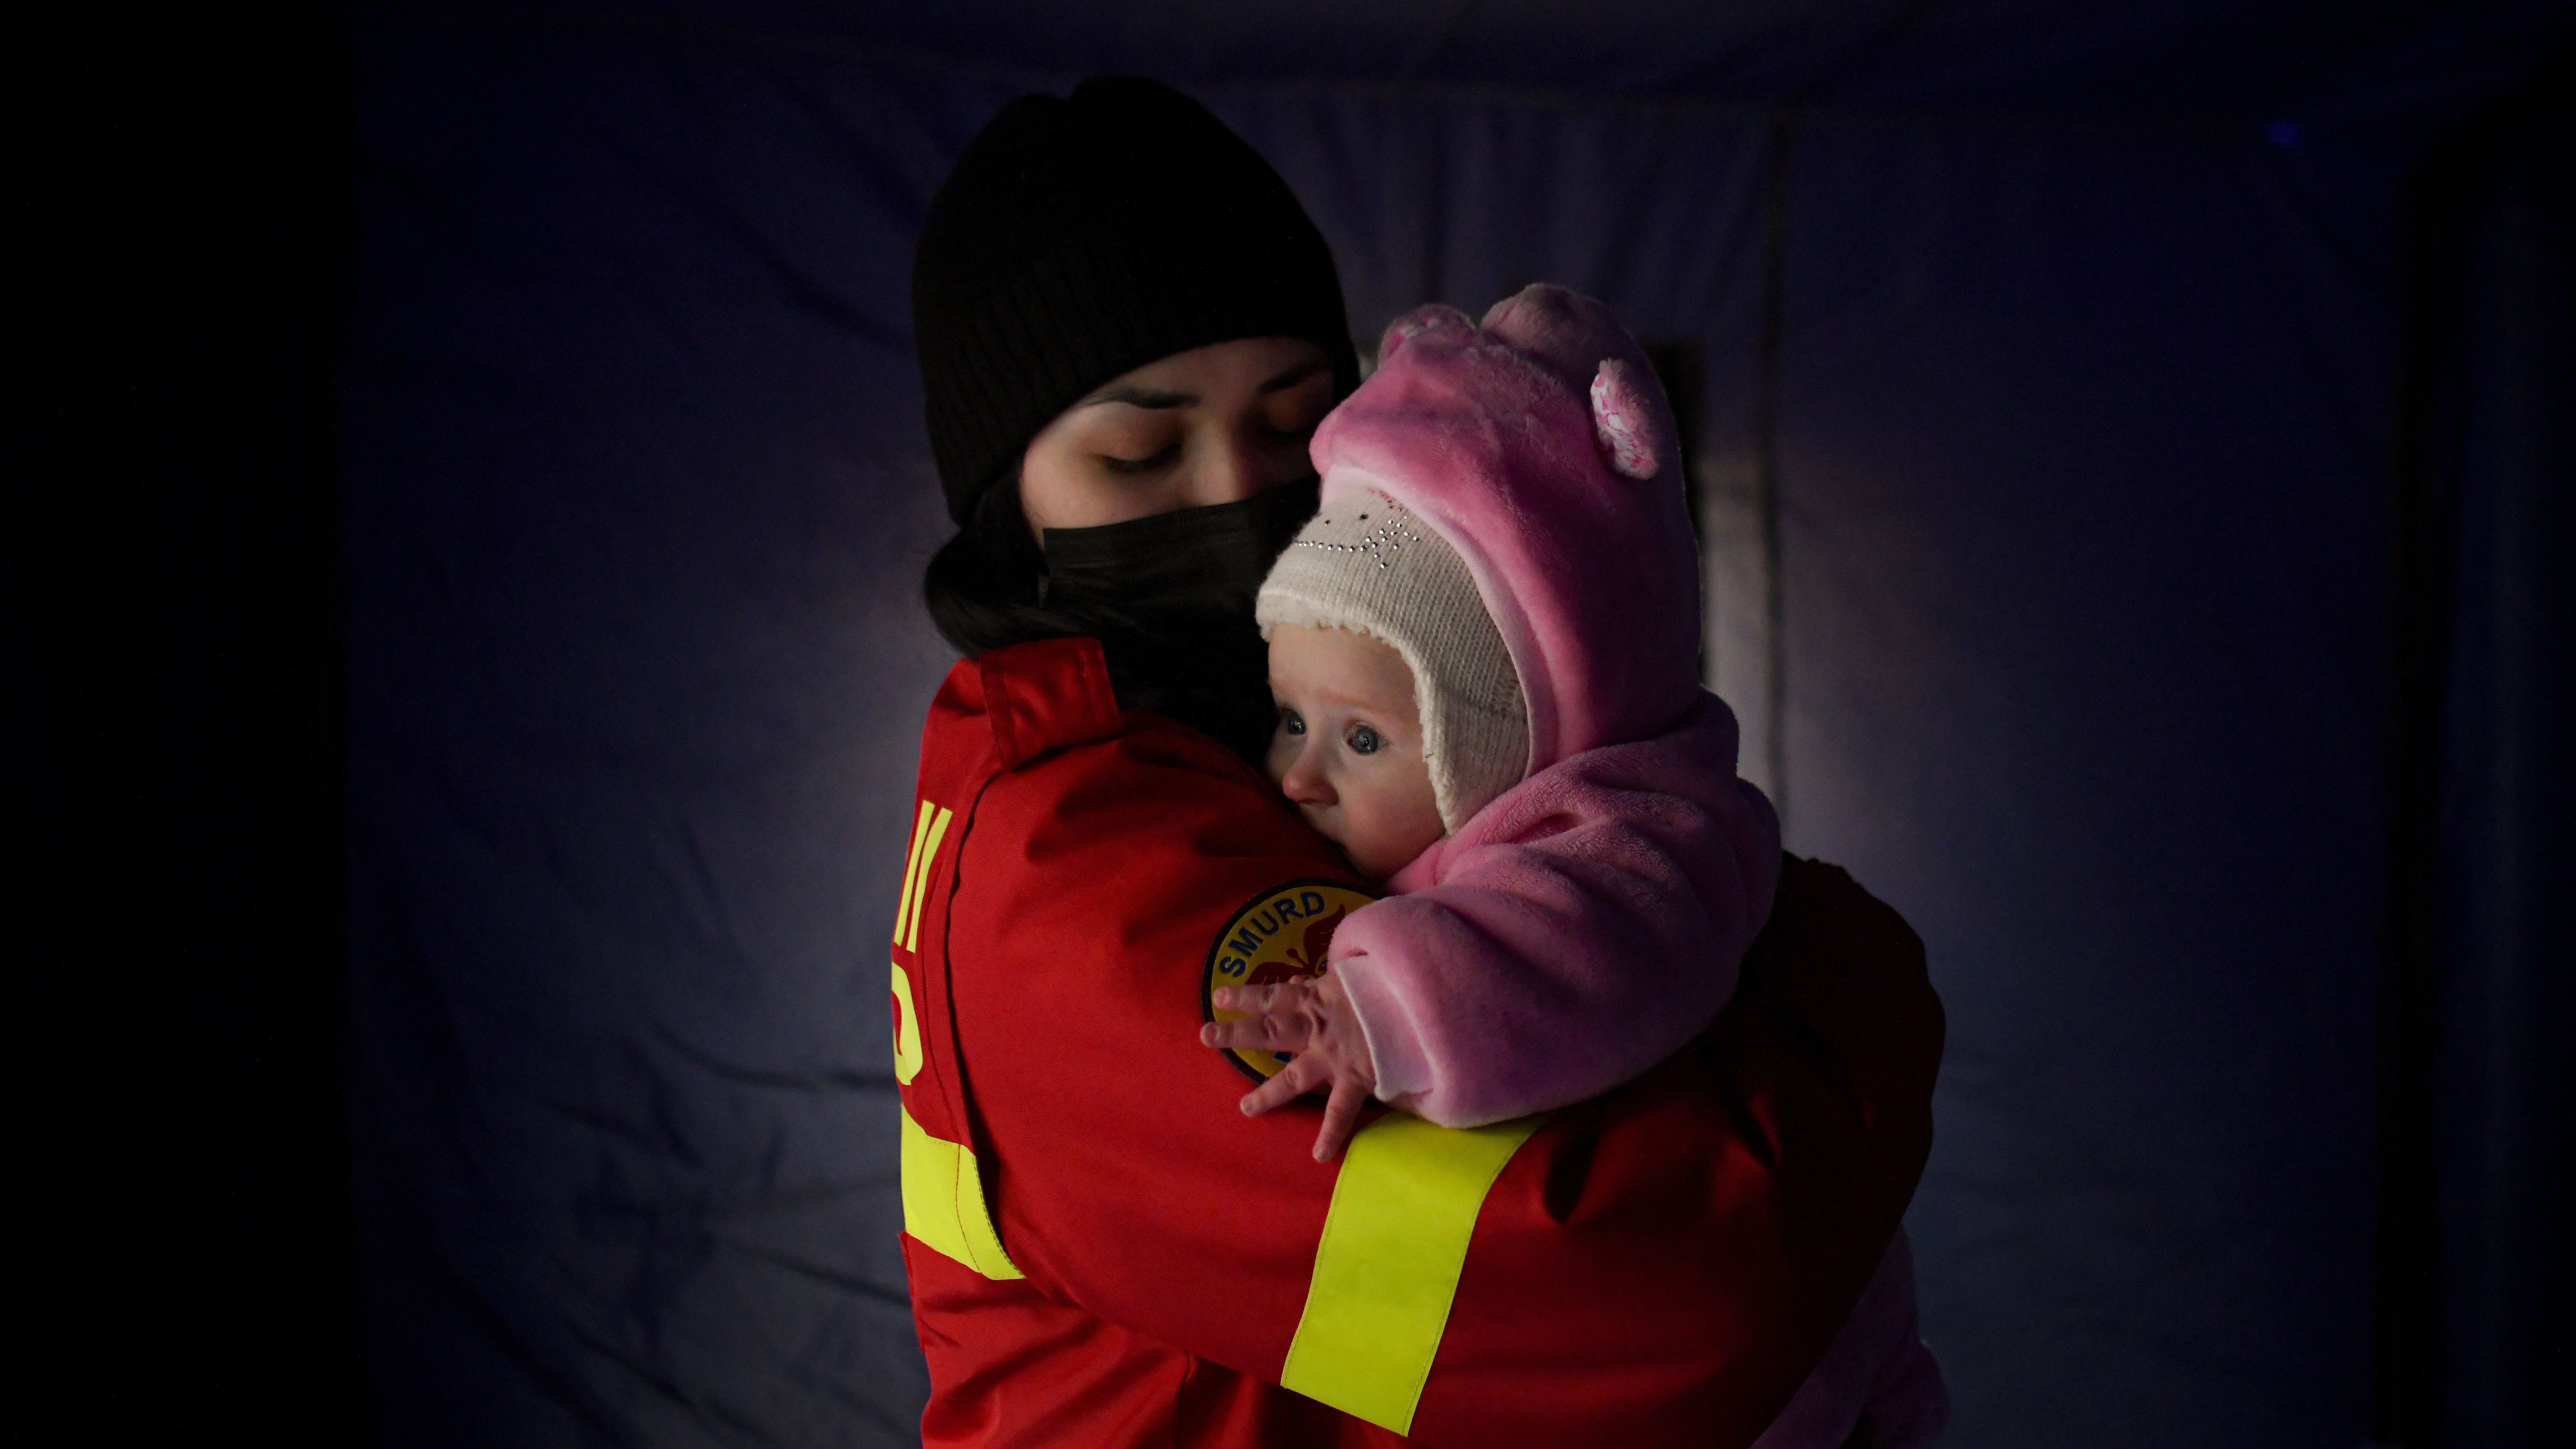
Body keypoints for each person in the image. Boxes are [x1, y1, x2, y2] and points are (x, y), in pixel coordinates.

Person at [893, 75, 1944, 1447]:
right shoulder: (1085, 869)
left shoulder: (1265, 760)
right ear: (1004, 516)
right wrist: (1844, 969)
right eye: (1142, 452)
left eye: (1290, 425)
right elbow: (1672, 1292)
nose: (1233, 497)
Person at [1203, 287, 1947, 1446]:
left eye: (1360, 739)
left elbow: (1581, 951)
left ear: (1507, 745)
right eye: (1288, 718)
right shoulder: (1460, 826)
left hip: (1770, 1395)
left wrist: (1380, 1007)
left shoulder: (1643, 836)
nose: (1298, 774)